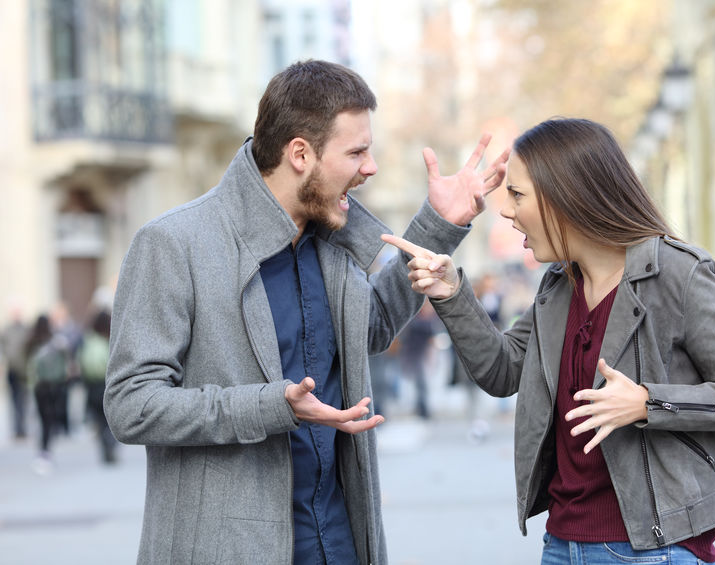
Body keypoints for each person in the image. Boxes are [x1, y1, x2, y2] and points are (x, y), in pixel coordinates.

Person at [104, 59, 508, 565]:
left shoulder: (328, 242)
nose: (371, 167)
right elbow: (130, 405)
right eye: (357, 151)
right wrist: (274, 406)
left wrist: (440, 225)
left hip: (337, 542)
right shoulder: (172, 243)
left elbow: (373, 327)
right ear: (300, 153)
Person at [383, 117, 715, 565]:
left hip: (656, 550)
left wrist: (648, 403)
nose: (506, 211)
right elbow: (502, 370)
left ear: (566, 195)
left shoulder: (677, 273)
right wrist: (453, 292)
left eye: (516, 194)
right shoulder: (559, 284)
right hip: (562, 543)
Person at [26, 313, 70, 474]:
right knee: (50, 419)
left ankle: (43, 450)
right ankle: (46, 450)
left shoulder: (31, 341)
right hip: (55, 385)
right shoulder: (56, 341)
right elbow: (67, 358)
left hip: (39, 385)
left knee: (43, 418)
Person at [78, 310, 117, 463]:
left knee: (99, 421)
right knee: (111, 419)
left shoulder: (88, 340)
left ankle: (104, 446)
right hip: (107, 384)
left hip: (92, 386)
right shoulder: (110, 340)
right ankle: (111, 444)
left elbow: (81, 362)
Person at [1, 303, 30, 439]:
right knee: (14, 400)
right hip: (12, 369)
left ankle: (23, 427)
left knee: (23, 400)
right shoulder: (6, 330)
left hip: (24, 371)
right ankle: (17, 429)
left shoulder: (26, 329)